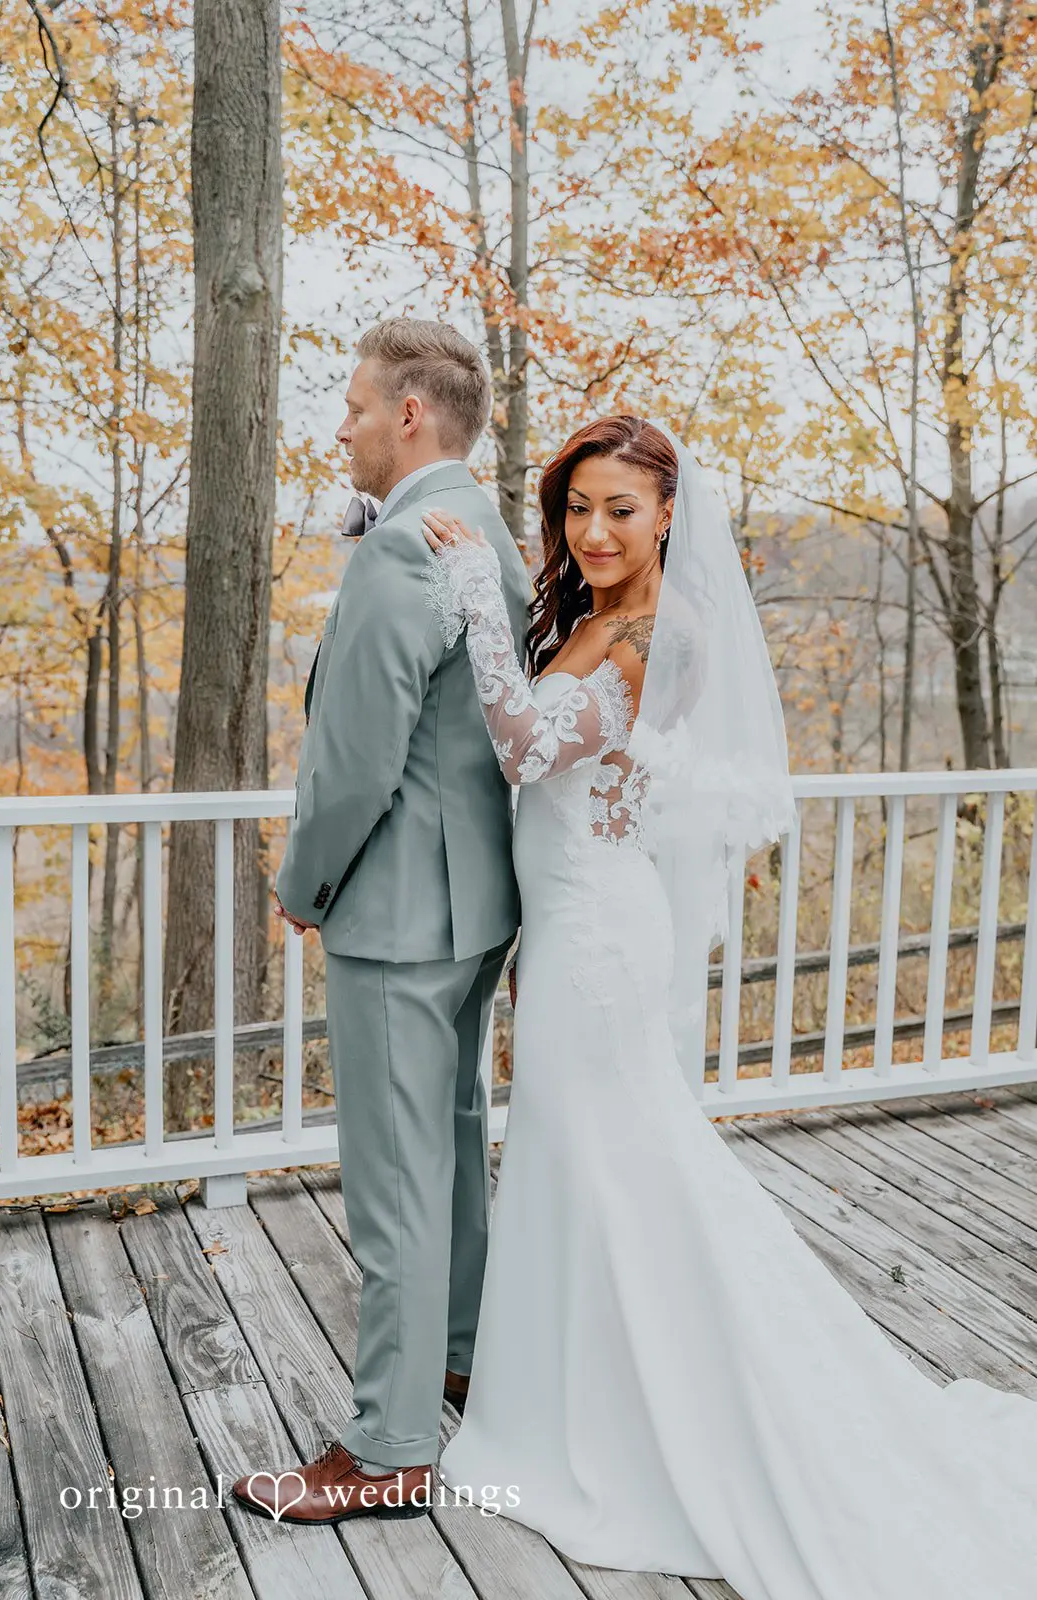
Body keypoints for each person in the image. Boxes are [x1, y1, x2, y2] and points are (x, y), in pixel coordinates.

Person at [419, 414, 1037, 1598]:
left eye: (618, 509)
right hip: (575, 926)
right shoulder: (599, 618)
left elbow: (519, 744)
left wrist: (464, 582)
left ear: (666, 517)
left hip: (598, 937)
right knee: (575, 1161)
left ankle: (650, 1417)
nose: (590, 530)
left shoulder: (664, 632)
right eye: (574, 508)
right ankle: (567, 1392)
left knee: (616, 1164)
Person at [232, 318, 530, 1524]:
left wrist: (301, 886)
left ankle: (389, 1444)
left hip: (399, 913)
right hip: (468, 910)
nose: (340, 423)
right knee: (447, 1150)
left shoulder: (406, 549)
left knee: (392, 1179)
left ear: (411, 413)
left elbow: (355, 761)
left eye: (353, 403)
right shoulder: (487, 534)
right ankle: (455, 1356)